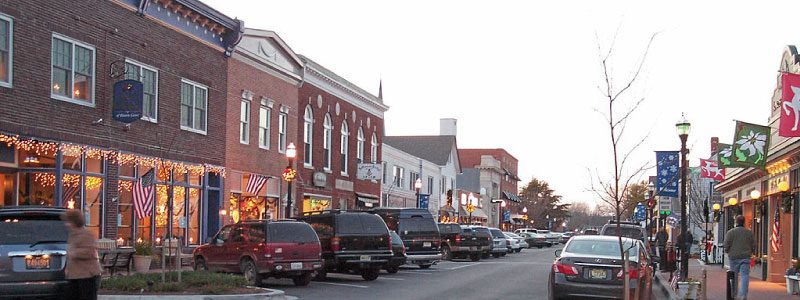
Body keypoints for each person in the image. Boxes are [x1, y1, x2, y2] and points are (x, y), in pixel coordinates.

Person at [61, 210, 102, 300]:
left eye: (69, 221)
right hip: (74, 276)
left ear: (74, 221)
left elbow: (90, 251)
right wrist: (67, 269)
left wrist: (73, 253)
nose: (67, 224)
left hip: (87, 275)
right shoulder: (73, 235)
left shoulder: (86, 234)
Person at [724, 215, 754, 300]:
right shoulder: (749, 232)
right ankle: (743, 295)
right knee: (745, 275)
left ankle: (734, 294)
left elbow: (726, 244)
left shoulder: (731, 232)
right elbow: (753, 244)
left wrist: (728, 251)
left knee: (734, 276)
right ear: (744, 222)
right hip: (746, 256)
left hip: (734, 257)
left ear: (736, 222)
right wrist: (751, 252)